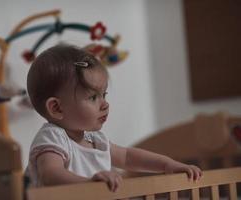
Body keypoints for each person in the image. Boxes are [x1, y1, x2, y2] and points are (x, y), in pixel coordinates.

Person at [26, 44, 202, 192]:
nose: (105, 104)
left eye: (104, 94)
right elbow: (49, 174)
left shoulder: (94, 139)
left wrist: (167, 165)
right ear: (57, 108)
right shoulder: (53, 138)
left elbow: (127, 157)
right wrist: (89, 184)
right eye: (93, 97)